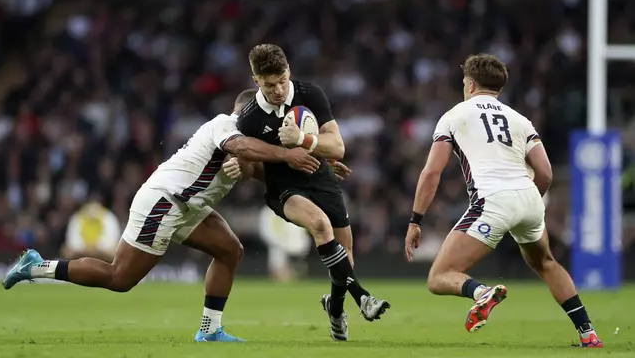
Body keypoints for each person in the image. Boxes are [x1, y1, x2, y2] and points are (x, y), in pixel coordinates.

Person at [2, 91, 321, 343]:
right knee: (120, 278)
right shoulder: (226, 123)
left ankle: (210, 331)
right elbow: (244, 148)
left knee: (230, 250)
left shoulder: (251, 140)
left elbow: (258, 168)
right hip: (164, 201)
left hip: (187, 207)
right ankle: (37, 266)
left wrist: (314, 171)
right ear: (248, 111)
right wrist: (285, 154)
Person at [403, 54, 603, 348]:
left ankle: (482, 292)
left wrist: (415, 220)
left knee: (439, 276)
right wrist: (527, 202)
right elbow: (545, 172)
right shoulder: (520, 120)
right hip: (529, 197)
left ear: (470, 84)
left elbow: (432, 172)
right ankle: (588, 334)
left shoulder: (455, 115)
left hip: (492, 201)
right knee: (546, 262)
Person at [235, 44, 389, 342]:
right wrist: (244, 166)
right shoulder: (249, 119)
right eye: (270, 84)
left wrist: (303, 139)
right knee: (320, 225)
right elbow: (250, 170)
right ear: (256, 80)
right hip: (284, 188)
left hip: (321, 178)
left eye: (282, 80)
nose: (279, 89)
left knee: (346, 256)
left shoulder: (311, 94)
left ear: (288, 70)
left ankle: (335, 310)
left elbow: (338, 147)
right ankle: (363, 298)